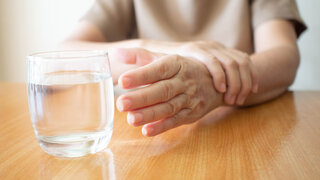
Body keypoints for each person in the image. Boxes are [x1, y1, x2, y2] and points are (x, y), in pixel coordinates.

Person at [61, 0, 306, 137]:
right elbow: (66, 54)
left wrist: (210, 86)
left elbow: (285, 57)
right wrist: (176, 50)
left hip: (244, 128)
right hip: (151, 132)